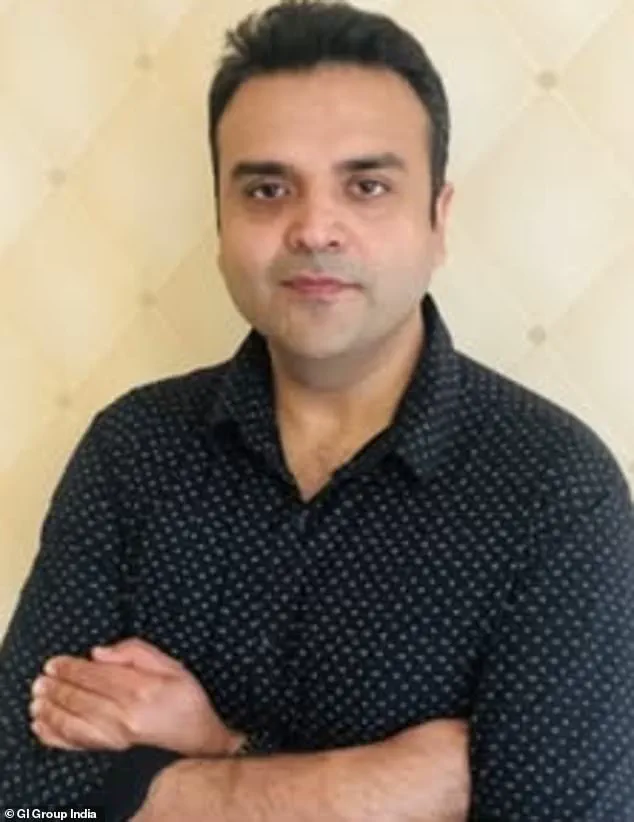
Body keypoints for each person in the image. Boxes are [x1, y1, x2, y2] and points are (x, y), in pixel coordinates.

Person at [1, 1, 633, 820]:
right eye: (268, 189)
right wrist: (385, 786)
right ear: (221, 222)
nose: (314, 229)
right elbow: (24, 798)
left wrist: (217, 752)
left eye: (367, 186)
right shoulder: (135, 449)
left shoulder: (555, 489)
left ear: (438, 220)